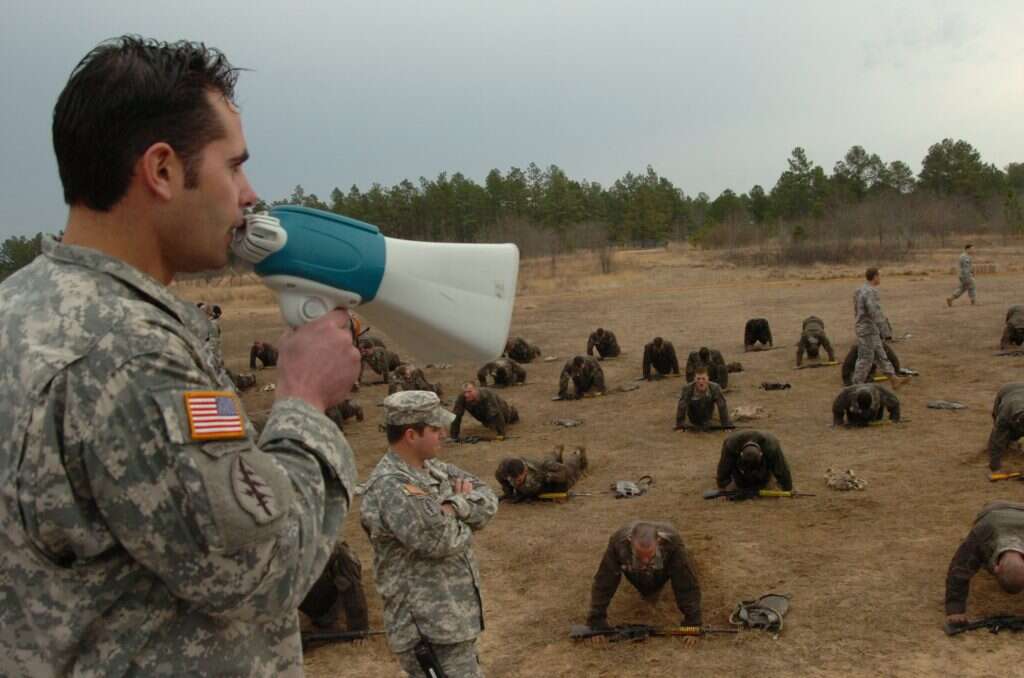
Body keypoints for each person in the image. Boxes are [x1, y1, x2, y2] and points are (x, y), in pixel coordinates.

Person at [0, 36, 361, 677]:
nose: (249, 195)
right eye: (234, 166)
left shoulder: (20, 309)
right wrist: (305, 400)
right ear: (162, 170)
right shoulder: (131, 355)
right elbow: (260, 569)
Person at [360, 391, 498, 677]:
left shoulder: (433, 469)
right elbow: (440, 541)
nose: (444, 434)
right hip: (427, 629)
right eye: (435, 429)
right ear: (411, 435)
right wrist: (461, 507)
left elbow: (488, 498)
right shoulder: (393, 486)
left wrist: (451, 507)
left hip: (451, 621)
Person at [586, 521, 703, 631]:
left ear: (659, 541)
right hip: (633, 564)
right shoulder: (617, 542)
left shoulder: (673, 543)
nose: (645, 561)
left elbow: (686, 584)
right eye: (640, 555)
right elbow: (604, 581)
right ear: (629, 540)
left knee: (684, 567)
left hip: (665, 562)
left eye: (649, 555)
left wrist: (692, 624)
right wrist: (596, 621)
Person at [945, 501, 1024, 628]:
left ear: (997, 568)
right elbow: (959, 570)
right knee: (972, 552)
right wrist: (955, 610)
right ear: (996, 568)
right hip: (994, 510)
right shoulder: (983, 533)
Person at [851, 268, 905, 387]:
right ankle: (855, 385)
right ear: (874, 277)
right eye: (879, 276)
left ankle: (893, 379)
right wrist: (885, 331)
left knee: (881, 354)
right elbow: (874, 312)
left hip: (867, 328)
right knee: (866, 358)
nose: (880, 278)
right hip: (868, 329)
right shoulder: (870, 292)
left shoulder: (859, 290)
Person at [299, 541, 369, 632]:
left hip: (328, 604)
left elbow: (344, 557)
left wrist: (358, 628)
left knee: (342, 558)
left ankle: (338, 613)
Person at [495, 445, 588, 502]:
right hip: (539, 474)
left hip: (545, 476)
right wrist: (509, 493)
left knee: (569, 471)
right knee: (548, 460)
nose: (516, 483)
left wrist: (550, 477)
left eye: (519, 480)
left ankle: (577, 454)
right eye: (513, 479)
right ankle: (556, 452)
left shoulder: (538, 468)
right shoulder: (505, 469)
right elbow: (501, 478)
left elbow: (563, 471)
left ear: (525, 471)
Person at [715, 431, 793, 496]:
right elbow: (724, 467)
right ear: (741, 454)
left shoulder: (771, 446)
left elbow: (782, 468)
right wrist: (724, 485)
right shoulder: (731, 444)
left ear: (761, 454)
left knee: (763, 481)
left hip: (763, 468)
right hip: (740, 468)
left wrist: (787, 488)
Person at [451, 382, 519, 440]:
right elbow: (456, 415)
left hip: (504, 413)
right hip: (486, 418)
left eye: (469, 392)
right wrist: (454, 436)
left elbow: (495, 413)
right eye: (465, 392)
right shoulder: (462, 397)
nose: (467, 395)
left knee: (509, 415)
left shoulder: (487, 394)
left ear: (476, 390)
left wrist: (501, 434)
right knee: (490, 424)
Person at [986, 383, 1024, 471]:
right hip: (1006, 391)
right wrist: (995, 467)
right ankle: (1005, 445)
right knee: (999, 432)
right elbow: (997, 440)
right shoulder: (1004, 416)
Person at [832, 383, 900, 427]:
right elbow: (837, 407)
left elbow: (895, 403)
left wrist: (894, 418)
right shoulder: (849, 393)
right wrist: (838, 421)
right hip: (854, 416)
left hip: (874, 415)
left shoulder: (878, 391)